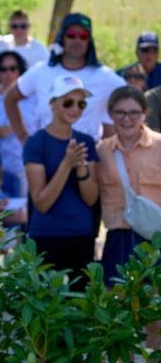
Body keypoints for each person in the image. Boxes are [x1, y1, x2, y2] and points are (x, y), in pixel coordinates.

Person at [96, 85, 161, 351]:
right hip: (117, 237)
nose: (127, 119)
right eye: (120, 112)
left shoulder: (160, 145)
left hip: (154, 239)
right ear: (111, 114)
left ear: (145, 113)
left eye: (133, 113)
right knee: (115, 312)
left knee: (155, 312)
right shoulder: (102, 150)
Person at [23, 75, 99, 291]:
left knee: (79, 311)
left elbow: (91, 198)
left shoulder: (86, 142)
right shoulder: (36, 142)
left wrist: (81, 167)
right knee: (48, 313)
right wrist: (67, 164)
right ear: (52, 104)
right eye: (68, 102)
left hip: (81, 236)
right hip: (46, 237)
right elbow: (42, 203)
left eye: (81, 103)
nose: (75, 108)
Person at [5, 13, 126, 143]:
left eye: (83, 36)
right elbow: (10, 98)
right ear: (62, 38)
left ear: (89, 41)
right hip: (46, 156)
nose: (77, 40)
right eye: (71, 35)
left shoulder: (105, 77)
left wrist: (110, 145)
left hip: (87, 156)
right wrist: (24, 138)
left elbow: (132, 103)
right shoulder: (41, 71)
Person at [0, 51, 33, 198]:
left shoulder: (33, 99)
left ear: (20, 70)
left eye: (13, 68)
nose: (8, 73)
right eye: (3, 69)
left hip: (28, 169)